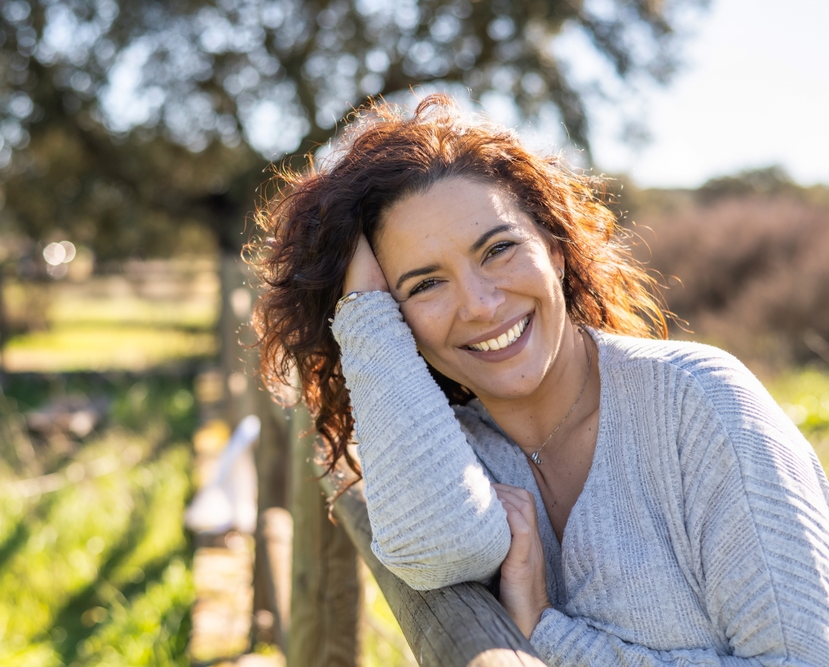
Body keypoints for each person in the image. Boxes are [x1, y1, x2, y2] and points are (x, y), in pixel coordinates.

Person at [248, 94, 829, 665]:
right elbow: (437, 552)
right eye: (424, 285)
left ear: (553, 247)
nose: (479, 305)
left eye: (498, 249)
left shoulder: (697, 404)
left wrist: (551, 639)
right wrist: (363, 312)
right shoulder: (454, 455)